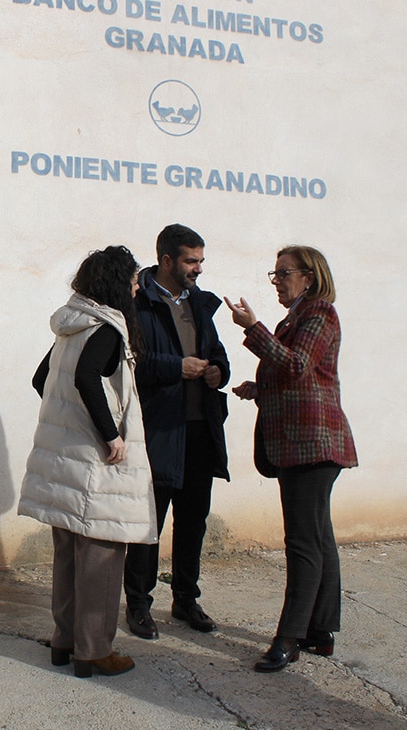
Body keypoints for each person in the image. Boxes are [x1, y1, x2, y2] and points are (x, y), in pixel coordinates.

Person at [18, 245, 157, 678]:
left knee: (69, 558)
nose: (138, 288)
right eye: (134, 280)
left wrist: (71, 427)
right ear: (117, 283)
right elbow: (86, 379)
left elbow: (44, 379)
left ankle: (65, 642)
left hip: (66, 464)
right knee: (101, 559)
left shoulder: (71, 326)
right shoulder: (107, 329)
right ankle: (94, 651)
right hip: (95, 467)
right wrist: (108, 434)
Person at [224, 245, 357, 673]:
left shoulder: (319, 314)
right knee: (318, 537)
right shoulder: (297, 319)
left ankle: (290, 637)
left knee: (302, 542)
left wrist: (253, 328)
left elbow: (298, 365)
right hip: (303, 443)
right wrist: (258, 389)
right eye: (275, 274)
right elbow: (299, 380)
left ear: (309, 277)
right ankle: (320, 631)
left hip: (311, 446)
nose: (277, 280)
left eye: (284, 273)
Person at [123, 224, 230, 640]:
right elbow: (131, 363)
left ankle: (186, 599)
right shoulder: (139, 303)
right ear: (167, 260)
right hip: (159, 429)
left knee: (193, 521)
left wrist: (219, 371)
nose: (198, 269)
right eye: (191, 260)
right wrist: (176, 367)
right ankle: (138, 604)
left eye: (201, 261)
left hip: (201, 428)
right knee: (150, 523)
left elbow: (217, 354)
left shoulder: (201, 304)